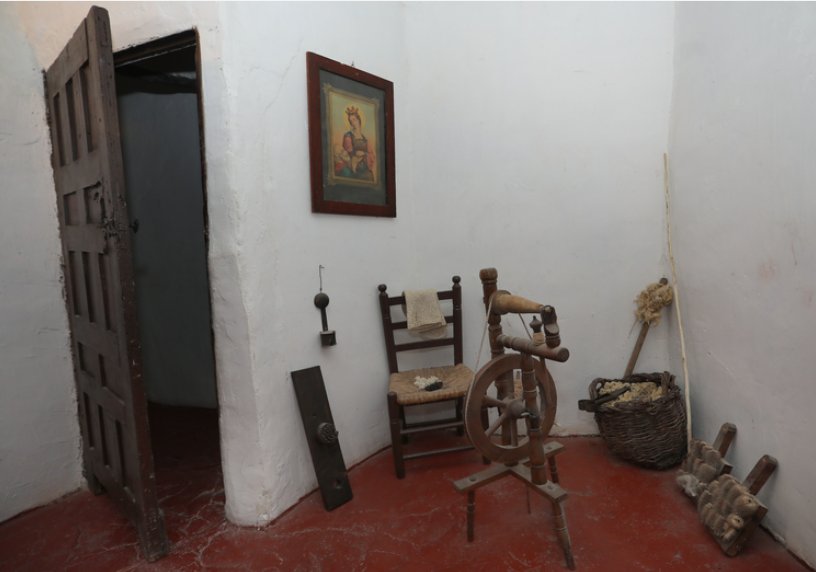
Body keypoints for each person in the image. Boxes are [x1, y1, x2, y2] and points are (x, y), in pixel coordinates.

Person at [334, 106, 375, 181]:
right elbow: (347, 152)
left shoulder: (365, 139)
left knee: (370, 176)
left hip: (365, 166)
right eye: (351, 121)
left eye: (354, 119)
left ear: (359, 120)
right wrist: (356, 154)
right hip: (353, 166)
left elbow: (371, 154)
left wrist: (364, 155)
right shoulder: (348, 135)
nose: (353, 122)